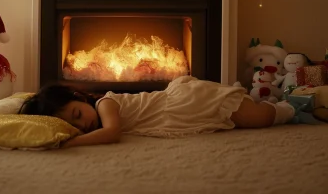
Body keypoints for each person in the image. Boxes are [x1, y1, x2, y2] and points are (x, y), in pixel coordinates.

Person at [19, 76, 295, 148]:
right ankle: (255, 98)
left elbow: (112, 132)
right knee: (240, 117)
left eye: (78, 115)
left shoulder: (105, 104)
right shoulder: (94, 113)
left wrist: (71, 141)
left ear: (80, 98)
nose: (83, 125)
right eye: (74, 126)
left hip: (187, 103)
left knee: (255, 120)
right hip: (176, 108)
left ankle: (290, 107)